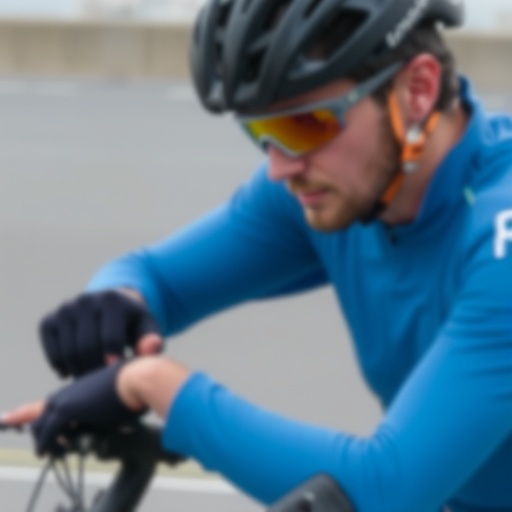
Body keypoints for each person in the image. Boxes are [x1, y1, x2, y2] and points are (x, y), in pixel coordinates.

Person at [3, 0, 512, 510]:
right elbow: (153, 276)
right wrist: (115, 306)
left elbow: (382, 491)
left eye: (304, 125)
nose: (279, 169)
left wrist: (154, 384)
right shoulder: (336, 183)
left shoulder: (499, 236)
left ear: (417, 91)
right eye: (261, 132)